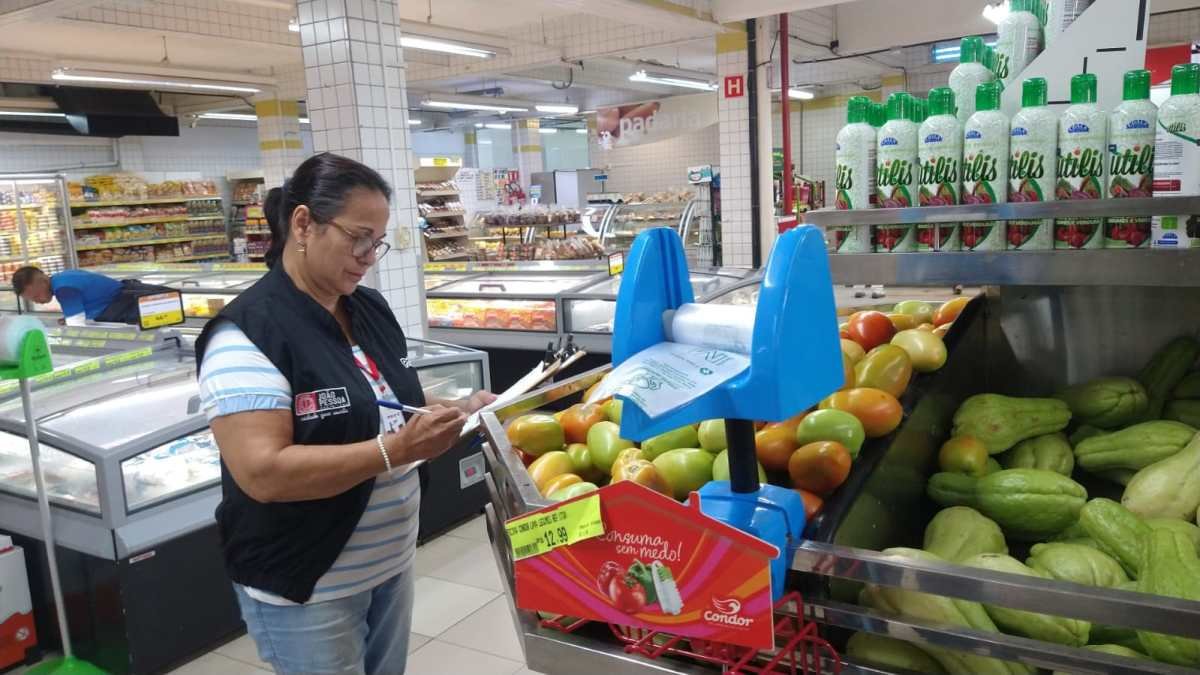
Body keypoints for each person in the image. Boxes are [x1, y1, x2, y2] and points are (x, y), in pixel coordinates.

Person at [195, 153, 495, 674]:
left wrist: (462, 410)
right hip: (309, 582)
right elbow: (263, 473)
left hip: (390, 563)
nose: (368, 255)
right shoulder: (248, 333)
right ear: (304, 224)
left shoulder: (367, 308)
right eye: (358, 237)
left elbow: (392, 402)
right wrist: (395, 451)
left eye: (376, 241)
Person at [12, 266, 133, 324]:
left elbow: (77, 325)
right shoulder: (63, 277)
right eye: (33, 300)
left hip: (127, 309)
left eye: (36, 296)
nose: (37, 301)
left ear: (44, 281)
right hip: (125, 301)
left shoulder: (63, 289)